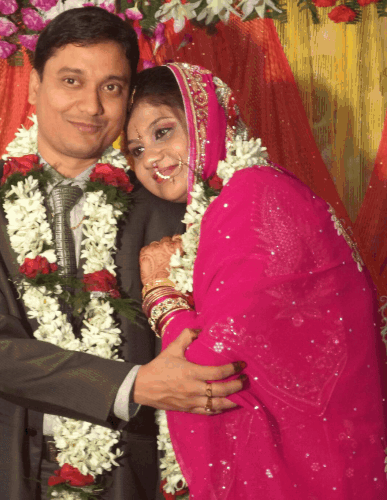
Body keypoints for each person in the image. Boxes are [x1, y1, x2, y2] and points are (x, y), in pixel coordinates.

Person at [0, 9, 245, 500]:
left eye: (111, 87)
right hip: (6, 466)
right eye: (71, 80)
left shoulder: (166, 202)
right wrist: (132, 385)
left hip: (129, 470)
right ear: (34, 86)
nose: (91, 106)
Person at [126, 63, 387, 499]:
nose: (150, 157)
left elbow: (213, 373)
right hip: (337, 456)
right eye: (136, 150)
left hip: (308, 470)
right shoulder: (253, 192)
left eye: (163, 131)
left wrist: (162, 295)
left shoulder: (252, 196)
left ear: (206, 118)